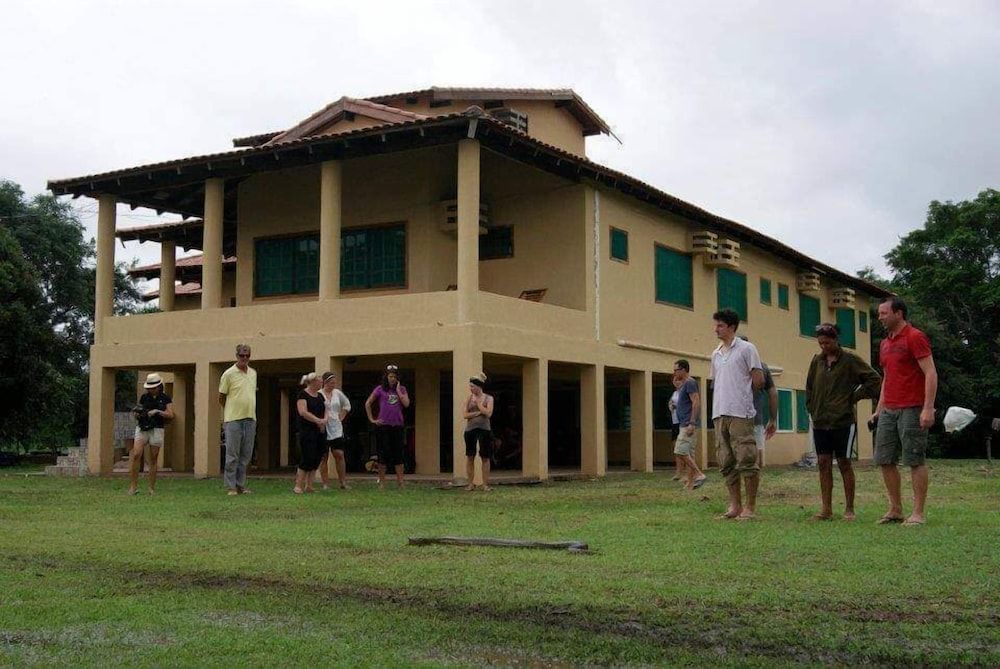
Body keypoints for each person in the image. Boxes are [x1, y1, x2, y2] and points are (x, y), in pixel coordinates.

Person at [871, 297, 937, 526]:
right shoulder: (885, 343)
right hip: (889, 408)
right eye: (879, 313)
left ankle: (918, 513)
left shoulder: (915, 337)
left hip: (912, 407)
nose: (880, 317)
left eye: (883, 313)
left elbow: (930, 372)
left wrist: (928, 408)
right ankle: (896, 509)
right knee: (884, 459)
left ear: (898, 313)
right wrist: (879, 409)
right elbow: (887, 377)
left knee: (914, 459)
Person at [806, 322, 882, 521]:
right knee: (823, 462)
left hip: (843, 420)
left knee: (844, 462)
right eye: (820, 343)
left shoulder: (850, 360)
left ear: (836, 340)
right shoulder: (817, 361)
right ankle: (826, 508)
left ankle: (849, 509)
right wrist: (811, 408)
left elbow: (874, 379)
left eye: (827, 343)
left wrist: (854, 397)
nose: (824, 346)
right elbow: (810, 387)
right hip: (821, 420)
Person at [709, 309, 765, 520]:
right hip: (720, 412)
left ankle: (750, 507)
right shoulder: (715, 354)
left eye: (720, 325)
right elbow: (716, 382)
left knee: (746, 458)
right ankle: (735, 506)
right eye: (716, 325)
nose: (716, 329)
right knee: (726, 460)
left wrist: (745, 397)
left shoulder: (747, 349)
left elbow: (758, 380)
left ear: (732, 327)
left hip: (740, 412)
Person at [219, 344, 258, 496]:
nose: (245, 358)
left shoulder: (253, 373)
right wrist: (230, 410)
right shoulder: (228, 374)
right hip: (234, 419)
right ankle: (231, 486)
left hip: (250, 418)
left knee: (245, 455)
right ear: (236, 356)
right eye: (242, 355)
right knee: (232, 454)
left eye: (247, 355)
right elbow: (221, 397)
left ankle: (241, 484)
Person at [365, 364, 410, 489]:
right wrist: (372, 419)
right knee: (383, 454)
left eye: (395, 377)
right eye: (390, 376)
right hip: (383, 426)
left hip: (397, 426)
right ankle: (382, 482)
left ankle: (401, 482)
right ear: (387, 377)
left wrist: (399, 392)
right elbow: (368, 403)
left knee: (398, 454)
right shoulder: (380, 389)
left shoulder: (402, 389)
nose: (392, 379)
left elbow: (406, 404)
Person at [128, 373, 174, 495]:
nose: (150, 390)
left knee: (153, 458)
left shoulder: (165, 398)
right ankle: (133, 487)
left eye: (152, 387)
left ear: (159, 386)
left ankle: (151, 488)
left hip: (157, 428)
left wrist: (158, 412)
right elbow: (140, 410)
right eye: (149, 387)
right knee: (137, 454)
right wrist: (138, 414)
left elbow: (170, 414)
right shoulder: (144, 397)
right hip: (143, 427)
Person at [741, 336, 778, 467]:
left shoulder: (731, 366)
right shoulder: (762, 367)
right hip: (756, 418)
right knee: (758, 452)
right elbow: (773, 392)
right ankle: (755, 480)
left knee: (742, 454)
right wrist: (773, 419)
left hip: (738, 418)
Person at [672, 360, 706, 490]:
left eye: (676, 370)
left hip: (688, 424)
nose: (674, 372)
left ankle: (699, 474)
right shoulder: (684, 385)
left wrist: (692, 422)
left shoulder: (690, 382)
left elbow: (696, 402)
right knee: (689, 454)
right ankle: (690, 485)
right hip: (684, 423)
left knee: (679, 451)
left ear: (684, 369)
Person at [294, 373, 327, 494]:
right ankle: (298, 485)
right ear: (312, 382)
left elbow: (326, 410)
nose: (321, 383)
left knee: (317, 457)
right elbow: (303, 412)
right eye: (319, 381)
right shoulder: (303, 395)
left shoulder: (320, 396)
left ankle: (309, 485)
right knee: (307, 457)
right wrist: (317, 420)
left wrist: (324, 421)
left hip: (320, 431)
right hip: (307, 431)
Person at [319, 371, 352, 490]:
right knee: (323, 456)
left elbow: (347, 405)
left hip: (336, 428)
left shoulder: (337, 393)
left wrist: (341, 415)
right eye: (331, 383)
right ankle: (325, 483)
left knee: (339, 454)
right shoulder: (319, 394)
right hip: (323, 428)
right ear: (325, 382)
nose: (333, 385)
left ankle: (343, 482)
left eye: (334, 383)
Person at [462, 373, 495, 491]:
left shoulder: (489, 398)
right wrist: (478, 413)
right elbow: (465, 415)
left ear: (479, 386)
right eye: (470, 386)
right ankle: (470, 483)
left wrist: (479, 405)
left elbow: (488, 413)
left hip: (484, 430)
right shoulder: (468, 398)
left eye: (472, 386)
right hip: (470, 430)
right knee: (470, 456)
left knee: (485, 457)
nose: (471, 389)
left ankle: (485, 484)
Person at [667, 376, 687, 481]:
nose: (677, 382)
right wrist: (670, 405)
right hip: (675, 422)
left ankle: (686, 473)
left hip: (683, 422)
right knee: (676, 448)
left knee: (683, 448)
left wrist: (677, 406)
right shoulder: (675, 393)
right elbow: (670, 403)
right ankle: (678, 472)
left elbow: (687, 405)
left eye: (679, 380)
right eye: (675, 380)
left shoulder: (685, 392)